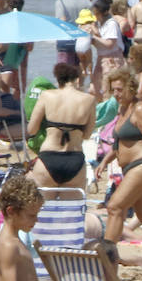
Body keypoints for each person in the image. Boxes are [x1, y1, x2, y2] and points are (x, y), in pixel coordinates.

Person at [95, 68, 142, 269]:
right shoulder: (123, 110)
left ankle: (107, 258)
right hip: (131, 167)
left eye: (119, 90)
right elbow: (120, 143)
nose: (116, 94)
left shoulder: (140, 109)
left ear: (130, 88)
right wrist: (105, 161)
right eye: (113, 90)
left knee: (115, 206)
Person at [26, 62, 95, 191]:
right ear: (77, 79)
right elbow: (87, 135)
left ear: (58, 80)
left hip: (48, 156)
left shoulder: (47, 95)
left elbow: (31, 129)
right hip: (75, 158)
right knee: (72, 210)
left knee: (43, 209)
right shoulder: (89, 99)